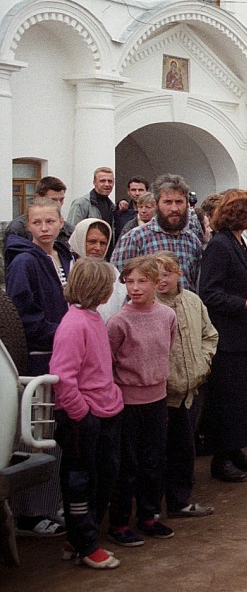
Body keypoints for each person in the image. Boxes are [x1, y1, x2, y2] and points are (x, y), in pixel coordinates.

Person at [49, 258, 125, 569]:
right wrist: (82, 414)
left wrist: (112, 397)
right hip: (83, 419)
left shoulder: (92, 318)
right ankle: (86, 543)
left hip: (105, 411)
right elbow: (62, 377)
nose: (111, 292)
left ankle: (78, 539)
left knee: (104, 476)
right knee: (80, 482)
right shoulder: (74, 324)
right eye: (108, 286)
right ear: (97, 289)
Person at [5, 196, 72, 539]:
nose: (44, 228)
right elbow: (23, 316)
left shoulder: (63, 255)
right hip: (40, 357)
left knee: (56, 435)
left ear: (61, 222)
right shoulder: (24, 262)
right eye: (37, 222)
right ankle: (30, 514)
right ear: (28, 225)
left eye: (50, 221)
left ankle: (48, 504)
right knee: (38, 435)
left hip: (63, 356)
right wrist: (65, 332)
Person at [198, 190, 247, 481]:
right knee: (227, 400)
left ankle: (235, 449)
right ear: (238, 214)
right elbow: (209, 293)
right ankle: (221, 458)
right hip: (226, 338)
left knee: (243, 398)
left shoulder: (238, 241)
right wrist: (243, 305)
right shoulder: (220, 245)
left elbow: (246, 290)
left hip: (242, 334)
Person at [106, 256, 177, 547]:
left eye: (142, 281)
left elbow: (167, 347)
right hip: (128, 403)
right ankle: (119, 522)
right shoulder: (118, 322)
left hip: (157, 399)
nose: (135, 287)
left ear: (156, 283)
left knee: (153, 460)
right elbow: (109, 360)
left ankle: (149, 515)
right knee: (127, 464)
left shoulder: (167, 315)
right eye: (130, 281)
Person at [152, 252, 217, 517]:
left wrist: (203, 363)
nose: (161, 280)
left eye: (166, 274)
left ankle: (179, 501)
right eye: (156, 275)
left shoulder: (193, 301)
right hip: (161, 393)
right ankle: (151, 508)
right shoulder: (149, 305)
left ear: (179, 274)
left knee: (185, 447)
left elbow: (209, 335)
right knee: (158, 451)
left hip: (191, 389)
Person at [112, 174, 205, 291]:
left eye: (179, 202)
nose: (174, 208)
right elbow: (118, 284)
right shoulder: (135, 238)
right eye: (168, 202)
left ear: (187, 204)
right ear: (156, 204)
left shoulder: (193, 241)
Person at [4, 176, 73, 267]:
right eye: (53, 200)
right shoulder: (17, 229)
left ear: (61, 223)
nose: (58, 204)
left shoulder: (68, 229)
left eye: (61, 200)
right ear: (38, 197)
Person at [67, 167, 116, 249]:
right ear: (94, 182)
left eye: (110, 181)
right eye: (102, 181)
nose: (107, 184)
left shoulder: (112, 206)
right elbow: (71, 232)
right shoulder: (81, 203)